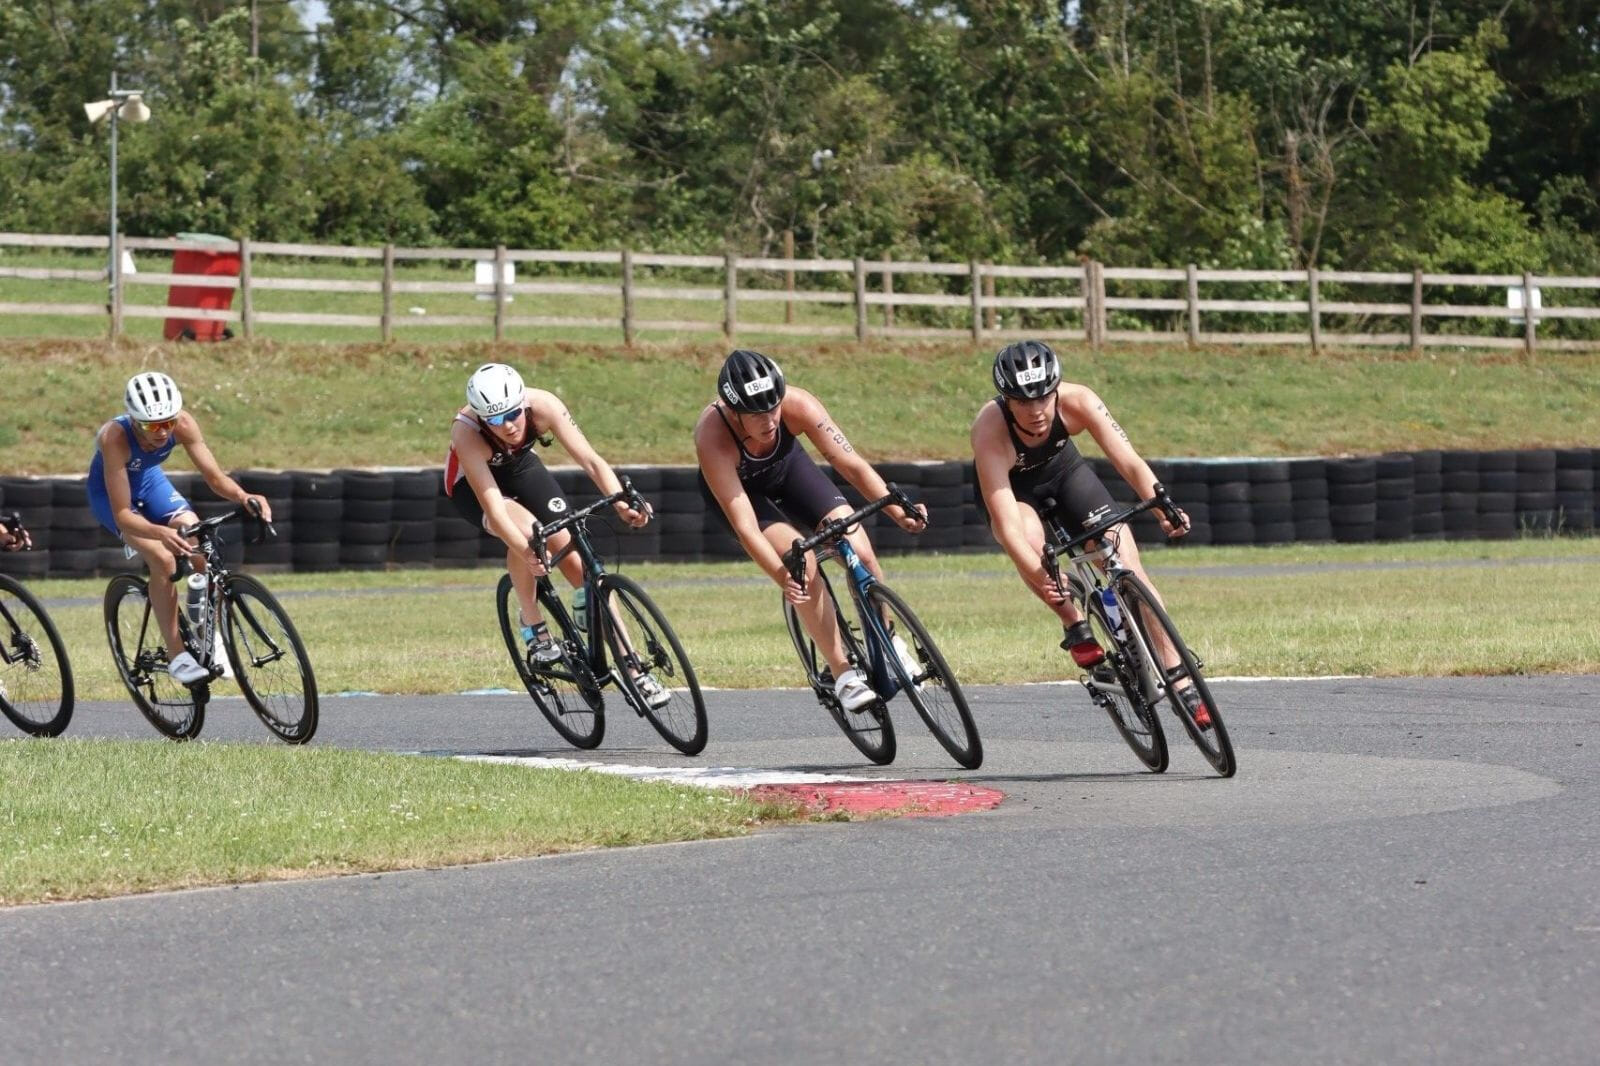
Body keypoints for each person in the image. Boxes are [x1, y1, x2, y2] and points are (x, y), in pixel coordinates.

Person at [970, 339, 1211, 726]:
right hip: (1014, 494)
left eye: (1043, 398)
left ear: (1056, 390)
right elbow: (1009, 528)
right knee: (1035, 550)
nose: (1035, 411)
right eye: (1022, 402)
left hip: (1066, 475)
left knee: (1128, 566)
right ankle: (1074, 622)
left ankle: (1179, 676)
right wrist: (1038, 574)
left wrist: (1163, 505)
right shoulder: (988, 430)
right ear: (1006, 399)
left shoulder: (1079, 401)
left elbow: (1128, 461)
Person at [695, 349, 927, 712]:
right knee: (803, 565)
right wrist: (781, 574)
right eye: (756, 414)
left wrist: (899, 510)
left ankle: (888, 638)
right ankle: (843, 673)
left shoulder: (797, 404)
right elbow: (745, 526)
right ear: (732, 409)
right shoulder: (712, 435)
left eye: (773, 407)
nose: (769, 420)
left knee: (859, 548)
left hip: (789, 471)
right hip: (745, 497)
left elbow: (849, 463)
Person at [443, 362, 668, 708]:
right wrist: (526, 550)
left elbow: (591, 460)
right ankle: (532, 624)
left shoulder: (544, 404)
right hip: (473, 488)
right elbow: (497, 510)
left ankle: (634, 668)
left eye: (513, 414)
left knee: (582, 567)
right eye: (495, 420)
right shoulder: (467, 433)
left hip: (518, 467)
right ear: (482, 417)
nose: (507, 425)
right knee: (529, 534)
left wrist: (622, 502)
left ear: (523, 403)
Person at [87, 371, 272, 684]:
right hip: (112, 498)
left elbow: (214, 477)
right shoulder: (114, 437)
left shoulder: (183, 423)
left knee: (199, 538)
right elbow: (122, 513)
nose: (162, 433)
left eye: (168, 423)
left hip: (149, 483)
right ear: (134, 420)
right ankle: (177, 656)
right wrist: (160, 533)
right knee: (163, 558)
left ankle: (208, 633)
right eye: (151, 425)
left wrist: (244, 496)